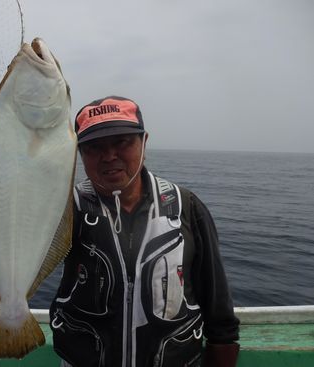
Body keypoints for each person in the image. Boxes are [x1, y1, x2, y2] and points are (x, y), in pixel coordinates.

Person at [49, 96, 240, 367]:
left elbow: (216, 298)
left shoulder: (186, 207)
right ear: (79, 154)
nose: (109, 155)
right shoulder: (66, 209)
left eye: (122, 142)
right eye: (93, 147)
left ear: (144, 142)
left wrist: (222, 351)